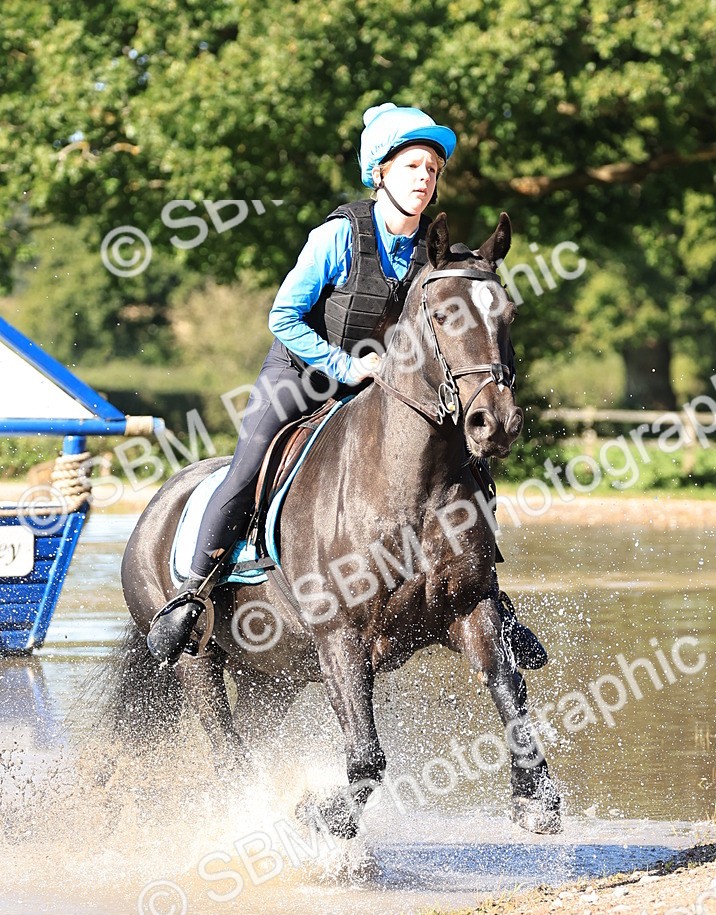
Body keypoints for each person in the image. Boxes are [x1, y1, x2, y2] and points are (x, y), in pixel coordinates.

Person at [146, 102, 547, 672]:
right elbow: (283, 316)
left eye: (432, 170)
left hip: (376, 390)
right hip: (299, 374)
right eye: (412, 167)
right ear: (380, 172)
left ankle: (489, 600)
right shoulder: (337, 236)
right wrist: (343, 365)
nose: (425, 179)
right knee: (247, 468)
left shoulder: (434, 252)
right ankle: (191, 594)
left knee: (463, 466)